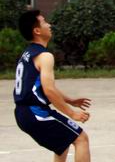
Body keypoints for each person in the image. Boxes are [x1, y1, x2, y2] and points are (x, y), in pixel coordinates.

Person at [14, 10, 92, 162]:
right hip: (35, 112)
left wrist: (70, 101)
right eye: (44, 22)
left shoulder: (28, 53)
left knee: (62, 145)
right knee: (81, 139)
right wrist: (72, 113)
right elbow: (49, 90)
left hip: (25, 112)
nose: (49, 25)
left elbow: (43, 87)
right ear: (37, 31)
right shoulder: (45, 56)